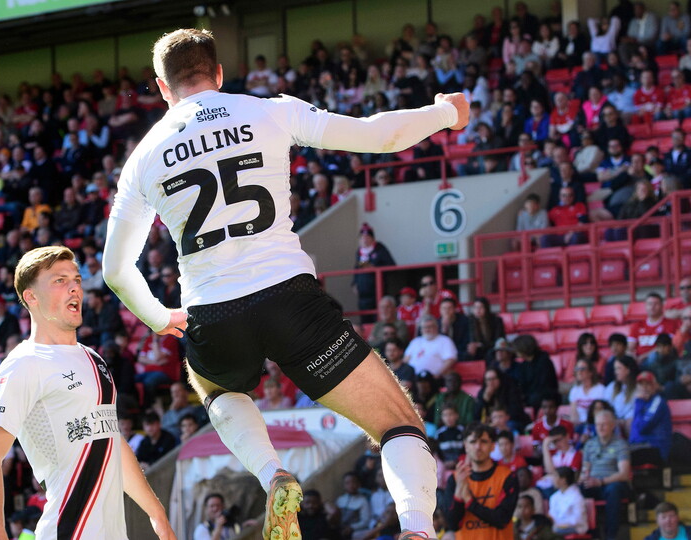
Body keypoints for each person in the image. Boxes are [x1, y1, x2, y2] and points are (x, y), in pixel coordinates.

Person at [102, 28, 469, 540]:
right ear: (220, 73)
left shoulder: (144, 157)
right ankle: (416, 530)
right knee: (398, 424)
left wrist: (162, 319)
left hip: (212, 311)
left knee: (211, 382)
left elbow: (115, 271)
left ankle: (272, 472)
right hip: (290, 299)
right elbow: (378, 136)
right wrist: (447, 113)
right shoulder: (268, 110)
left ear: (162, 88)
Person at [0, 246, 174, 540]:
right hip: (67, 530)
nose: (74, 288)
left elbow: (110, 440)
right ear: (31, 297)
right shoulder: (23, 364)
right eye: (60, 280)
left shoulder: (95, 359)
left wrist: (157, 513)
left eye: (77, 280)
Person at [445, 423, 519, 540]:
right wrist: (459, 493)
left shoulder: (507, 476)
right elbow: (453, 525)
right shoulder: (455, 479)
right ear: (466, 446)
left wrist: (469, 500)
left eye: (483, 442)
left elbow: (501, 519)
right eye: (473, 442)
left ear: (493, 446)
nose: (478, 447)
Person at [581, 409, 631, 540]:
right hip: (593, 483)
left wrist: (601, 482)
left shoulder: (621, 444)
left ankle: (611, 535)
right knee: (578, 490)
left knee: (613, 490)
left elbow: (624, 474)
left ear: (612, 425)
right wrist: (583, 478)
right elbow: (585, 468)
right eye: (598, 424)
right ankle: (591, 533)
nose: (600, 427)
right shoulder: (589, 444)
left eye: (604, 424)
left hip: (613, 483)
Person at [352, 224, 396, 323]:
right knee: (365, 319)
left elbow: (392, 266)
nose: (364, 240)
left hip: (377, 291)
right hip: (363, 295)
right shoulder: (359, 252)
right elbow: (356, 268)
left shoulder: (380, 249)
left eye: (367, 237)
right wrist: (354, 283)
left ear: (372, 238)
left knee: (378, 318)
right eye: (362, 237)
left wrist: (375, 268)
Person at [548, 466, 588, 536]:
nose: (553, 479)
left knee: (552, 532)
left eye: (555, 476)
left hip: (576, 528)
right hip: (557, 526)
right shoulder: (554, 497)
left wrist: (560, 524)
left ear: (563, 480)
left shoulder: (576, 496)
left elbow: (578, 519)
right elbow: (552, 515)